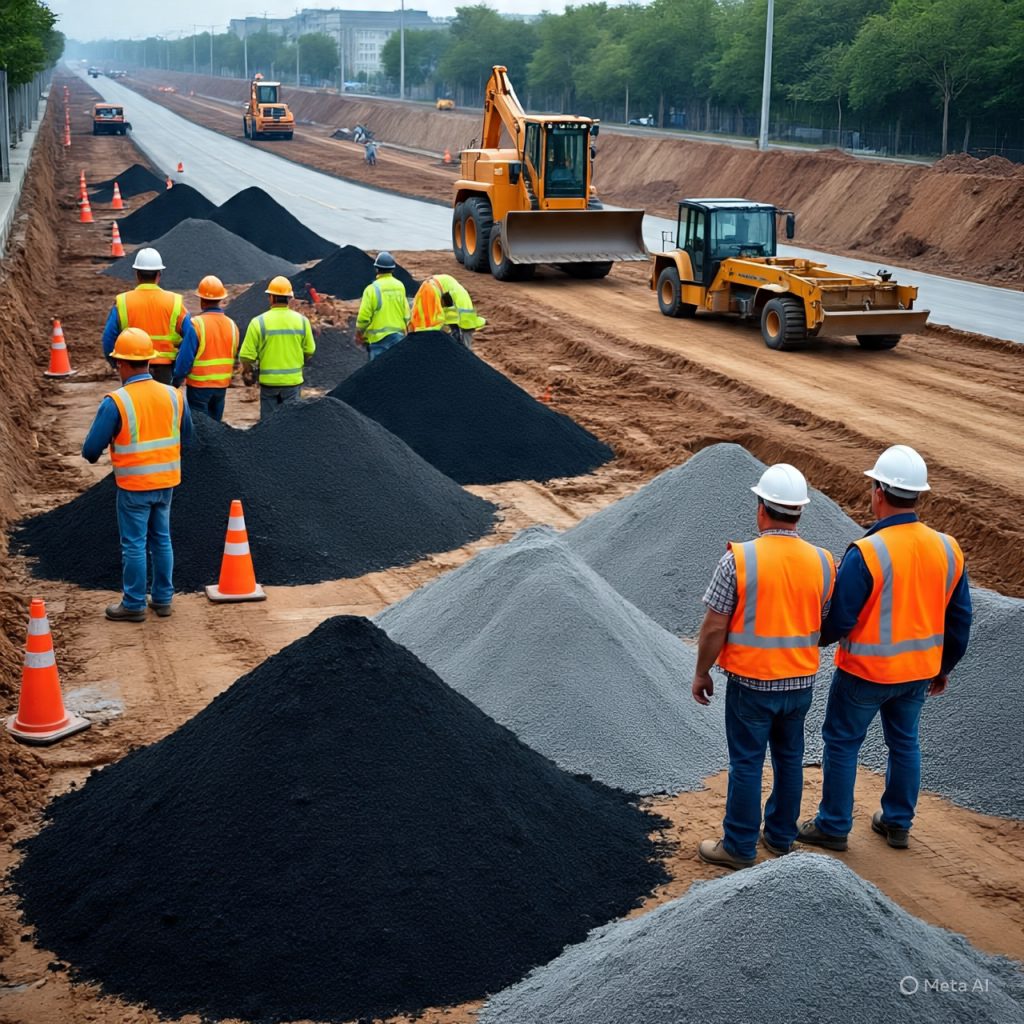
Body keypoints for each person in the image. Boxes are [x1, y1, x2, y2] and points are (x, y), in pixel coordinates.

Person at [798, 445, 971, 853]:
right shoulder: (948, 548)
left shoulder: (868, 551)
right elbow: (960, 618)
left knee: (842, 743)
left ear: (879, 491)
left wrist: (812, 641)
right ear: (917, 495)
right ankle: (897, 822)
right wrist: (943, 666)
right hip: (918, 673)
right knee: (904, 743)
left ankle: (833, 825)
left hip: (865, 673)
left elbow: (841, 617)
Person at [692, 464, 836, 871]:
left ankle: (739, 846)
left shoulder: (738, 561)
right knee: (789, 760)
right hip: (800, 684)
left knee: (747, 763)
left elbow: (714, 627)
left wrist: (702, 671)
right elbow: (824, 620)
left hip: (752, 685)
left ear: (761, 508)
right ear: (799, 512)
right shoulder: (824, 562)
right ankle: (780, 837)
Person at [82, 328, 192, 622]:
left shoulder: (117, 401)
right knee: (162, 539)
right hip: (166, 482)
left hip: (134, 486)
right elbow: (188, 436)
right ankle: (163, 599)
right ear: (149, 361)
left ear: (121, 363)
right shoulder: (174, 395)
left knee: (134, 544)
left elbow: (91, 450)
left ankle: (133, 604)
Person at [101, 247, 198, 385]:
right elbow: (191, 336)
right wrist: (179, 371)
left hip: (132, 367)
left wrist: (116, 363)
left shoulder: (123, 302)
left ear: (137, 274)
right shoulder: (174, 302)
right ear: (159, 274)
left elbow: (108, 338)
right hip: (164, 370)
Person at [238, 276, 316, 419]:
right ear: (289, 298)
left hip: (269, 383)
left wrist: (249, 371)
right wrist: (299, 362)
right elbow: (309, 350)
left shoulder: (258, 322)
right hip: (292, 382)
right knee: (290, 422)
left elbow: (246, 356)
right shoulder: (302, 321)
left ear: (271, 297)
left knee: (269, 424)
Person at [171, 275, 239, 422]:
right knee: (215, 427)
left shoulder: (196, 325)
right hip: (221, 387)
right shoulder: (232, 325)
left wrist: (176, 381)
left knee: (200, 427)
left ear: (201, 300)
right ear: (221, 299)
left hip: (199, 387)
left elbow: (185, 360)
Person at [356, 252, 410, 360]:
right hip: (398, 337)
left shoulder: (371, 289)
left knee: (376, 369)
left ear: (377, 269)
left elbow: (364, 318)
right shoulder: (400, 286)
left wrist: (359, 333)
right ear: (393, 269)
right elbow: (406, 313)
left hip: (378, 340)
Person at [408, 273, 486, 348]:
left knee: (426, 320)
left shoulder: (453, 292)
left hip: (427, 286)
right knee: (433, 324)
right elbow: (466, 320)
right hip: (432, 289)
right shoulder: (460, 296)